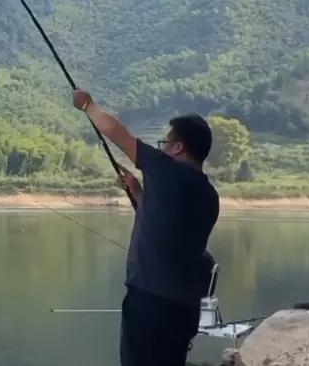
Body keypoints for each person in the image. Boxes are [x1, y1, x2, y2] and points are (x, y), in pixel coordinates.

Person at [71, 89, 220, 366]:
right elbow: (167, 228)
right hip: (184, 309)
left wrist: (87, 105)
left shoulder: (168, 171)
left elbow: (116, 133)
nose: (162, 148)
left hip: (150, 305)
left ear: (178, 147)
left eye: (166, 142)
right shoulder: (209, 195)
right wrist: (138, 192)